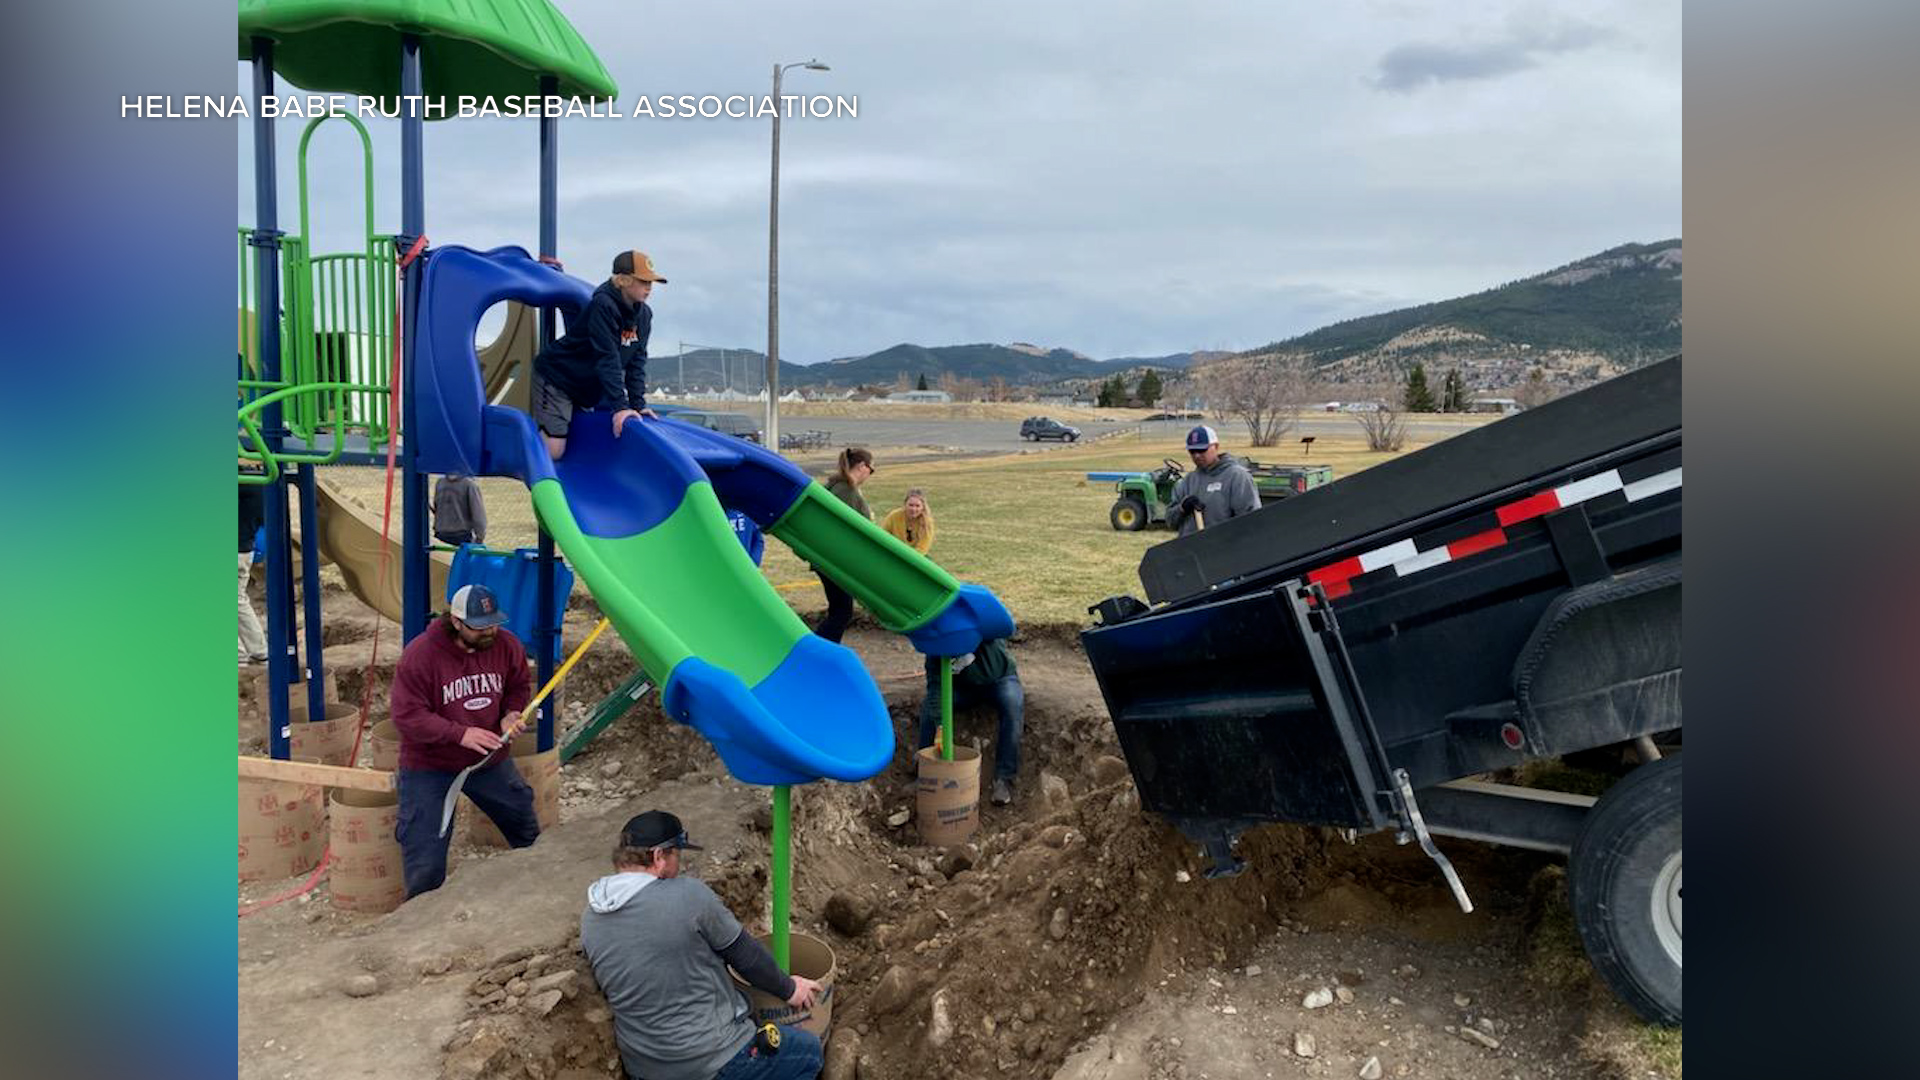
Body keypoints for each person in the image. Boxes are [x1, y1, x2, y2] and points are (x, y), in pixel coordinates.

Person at [581, 810, 825, 1080]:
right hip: (710, 1060)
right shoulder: (687, 895)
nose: (679, 867)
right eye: (677, 856)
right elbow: (745, 956)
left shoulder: (591, 918)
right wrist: (791, 989)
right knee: (808, 1052)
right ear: (659, 856)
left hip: (644, 1068)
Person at [389, 584, 540, 898]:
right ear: (456, 621)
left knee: (525, 824)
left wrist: (511, 713)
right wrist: (459, 734)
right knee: (424, 853)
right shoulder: (420, 656)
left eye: (494, 623)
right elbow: (408, 715)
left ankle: (537, 891)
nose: (490, 631)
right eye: (479, 626)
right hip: (430, 765)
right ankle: (422, 913)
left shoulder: (507, 645)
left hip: (489, 760)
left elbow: (518, 685)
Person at [530, 249, 667, 461]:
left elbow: (636, 363)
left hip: (584, 387)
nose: (648, 287)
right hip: (558, 378)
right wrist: (620, 407)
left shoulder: (644, 315)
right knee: (554, 450)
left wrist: (638, 405)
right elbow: (607, 357)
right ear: (623, 280)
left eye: (651, 282)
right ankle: (523, 456)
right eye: (642, 281)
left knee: (582, 446)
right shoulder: (603, 305)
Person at [919, 638, 1024, 806]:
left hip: (999, 680)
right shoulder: (936, 646)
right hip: (961, 689)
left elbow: (1001, 630)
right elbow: (936, 689)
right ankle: (923, 773)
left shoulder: (982, 632)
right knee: (929, 710)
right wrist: (940, 725)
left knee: (1012, 705)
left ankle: (1004, 778)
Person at [812, 448, 873, 643]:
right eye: (871, 470)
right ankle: (817, 652)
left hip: (827, 558)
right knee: (842, 612)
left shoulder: (835, 486)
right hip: (835, 560)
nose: (869, 474)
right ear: (862, 466)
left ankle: (821, 650)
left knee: (839, 610)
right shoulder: (846, 491)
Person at [1164, 424, 1259, 537]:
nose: (1197, 455)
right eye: (1192, 451)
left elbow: (1252, 522)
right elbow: (1170, 522)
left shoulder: (1237, 477)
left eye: (1202, 450)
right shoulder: (1187, 482)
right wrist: (1182, 508)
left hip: (1224, 545)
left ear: (1216, 446)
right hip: (1191, 547)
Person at [238, 468, 268, 665]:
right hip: (244, 548)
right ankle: (254, 652)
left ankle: (254, 652)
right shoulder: (261, 481)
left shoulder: (244, 481)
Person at [432, 472, 488, 547]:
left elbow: (436, 506)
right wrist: (480, 538)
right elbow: (478, 514)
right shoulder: (470, 484)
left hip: (440, 534)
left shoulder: (440, 483)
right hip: (461, 535)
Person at [878, 488, 935, 554]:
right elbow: (882, 535)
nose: (913, 509)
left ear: (923, 507)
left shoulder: (927, 523)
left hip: (915, 557)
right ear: (905, 505)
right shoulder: (893, 516)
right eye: (911, 505)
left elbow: (922, 549)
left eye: (917, 506)